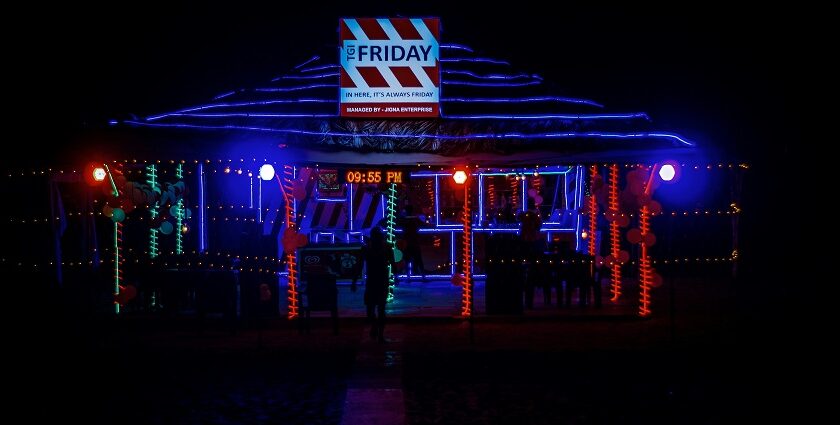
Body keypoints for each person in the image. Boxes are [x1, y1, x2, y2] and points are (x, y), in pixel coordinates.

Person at [352, 227, 394, 342]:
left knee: (372, 308)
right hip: (381, 280)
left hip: (373, 281)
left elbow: (359, 266)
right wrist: (395, 277)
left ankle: (376, 329)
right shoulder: (386, 248)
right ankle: (379, 333)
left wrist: (354, 281)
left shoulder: (367, 249)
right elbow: (393, 264)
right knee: (380, 308)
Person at [519, 198, 544, 308]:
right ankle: (530, 299)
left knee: (525, 272)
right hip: (532, 244)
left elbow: (518, 220)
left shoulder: (523, 215)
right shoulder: (534, 216)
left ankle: (525, 298)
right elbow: (539, 226)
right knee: (532, 272)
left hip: (525, 243)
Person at [398, 205, 427, 281]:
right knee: (419, 260)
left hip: (406, 243)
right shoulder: (415, 219)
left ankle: (408, 277)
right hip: (414, 242)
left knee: (407, 260)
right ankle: (423, 277)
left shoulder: (403, 219)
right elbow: (423, 225)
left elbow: (397, 225)